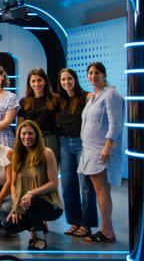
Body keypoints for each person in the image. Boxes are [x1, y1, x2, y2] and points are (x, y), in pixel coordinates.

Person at [79, 62, 123, 243]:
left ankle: (107, 231)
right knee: (99, 190)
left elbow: (115, 123)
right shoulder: (94, 96)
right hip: (88, 149)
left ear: (104, 74)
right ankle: (105, 229)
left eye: (97, 72)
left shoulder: (111, 94)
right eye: (90, 73)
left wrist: (108, 146)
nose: (93, 76)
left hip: (100, 149)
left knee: (102, 189)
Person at [5, 120, 63, 250]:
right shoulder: (16, 156)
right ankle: (36, 224)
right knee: (10, 226)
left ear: (36, 135)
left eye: (30, 133)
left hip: (48, 204)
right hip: (24, 203)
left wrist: (31, 193)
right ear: (19, 136)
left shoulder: (46, 153)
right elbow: (13, 184)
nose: (27, 137)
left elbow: (53, 183)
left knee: (33, 202)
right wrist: (15, 207)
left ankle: (40, 238)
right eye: (23, 133)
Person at [57, 68, 97, 238]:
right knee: (67, 185)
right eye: (63, 80)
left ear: (75, 79)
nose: (66, 82)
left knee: (86, 186)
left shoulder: (86, 97)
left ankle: (86, 225)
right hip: (65, 144)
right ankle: (74, 221)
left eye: (69, 79)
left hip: (83, 145)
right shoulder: (60, 101)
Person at [18, 68, 60, 164]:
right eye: (33, 81)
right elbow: (20, 126)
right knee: (32, 171)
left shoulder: (54, 99)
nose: (36, 84)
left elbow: (58, 122)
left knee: (51, 170)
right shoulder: (24, 102)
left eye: (39, 80)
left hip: (49, 139)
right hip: (30, 140)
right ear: (29, 83)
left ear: (45, 81)